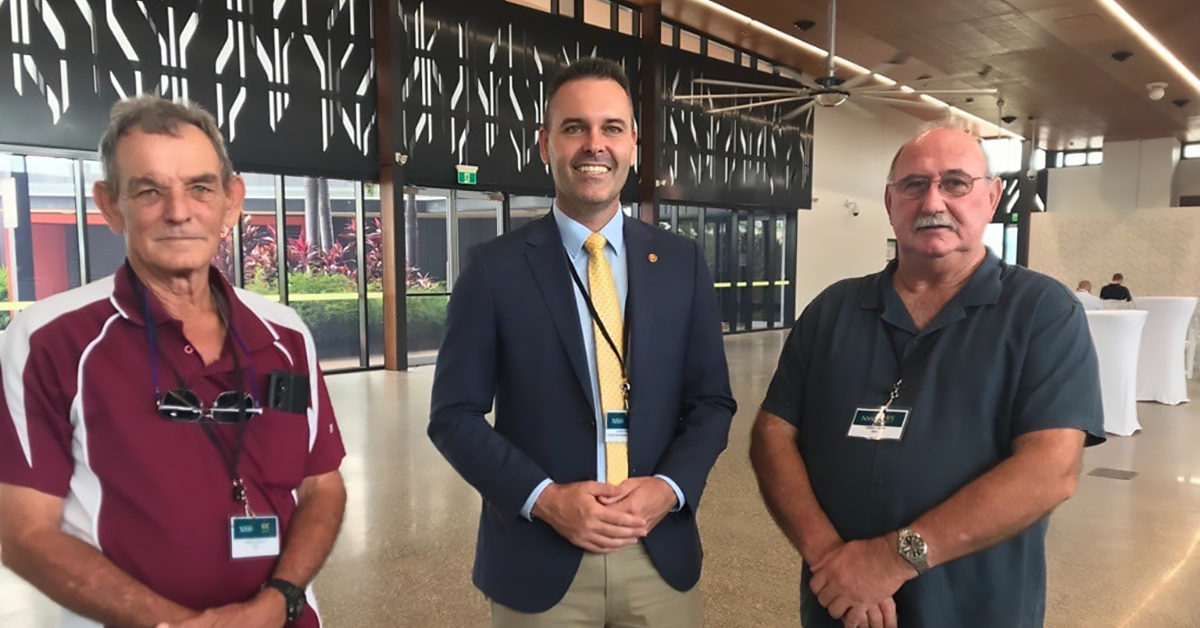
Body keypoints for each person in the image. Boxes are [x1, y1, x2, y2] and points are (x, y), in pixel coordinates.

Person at [0, 96, 346, 628]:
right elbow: (22, 531)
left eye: (200, 187)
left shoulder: (285, 335)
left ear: (231, 201)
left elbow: (321, 484)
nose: (179, 211)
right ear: (110, 204)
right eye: (148, 190)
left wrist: (281, 598)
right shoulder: (48, 342)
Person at [750, 124, 1104, 628]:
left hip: (974, 610)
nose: (933, 200)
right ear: (890, 202)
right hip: (841, 606)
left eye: (956, 183)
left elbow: (1051, 470)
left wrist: (891, 559)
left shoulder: (1042, 313)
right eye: (914, 185)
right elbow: (773, 435)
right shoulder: (833, 310)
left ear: (991, 197)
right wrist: (833, 559)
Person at [428, 58, 736, 627]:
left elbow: (711, 402)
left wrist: (668, 489)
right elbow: (454, 417)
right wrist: (546, 499)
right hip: (539, 555)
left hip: (657, 553)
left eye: (612, 128)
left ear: (634, 145)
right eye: (575, 128)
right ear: (545, 144)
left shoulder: (681, 263)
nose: (595, 144)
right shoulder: (492, 270)